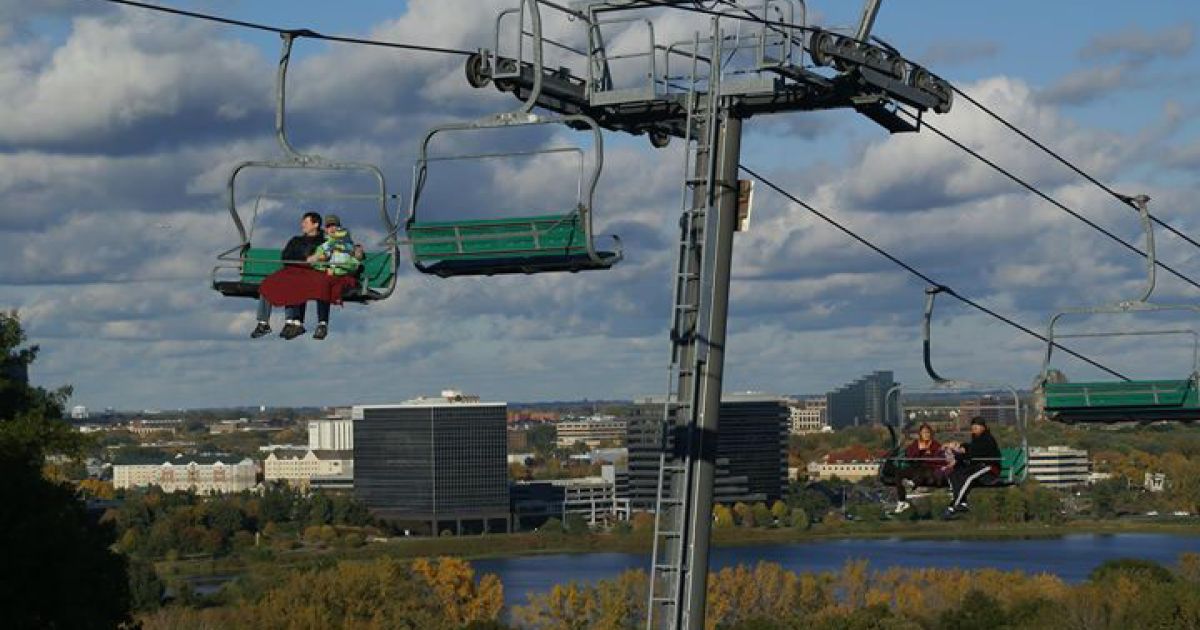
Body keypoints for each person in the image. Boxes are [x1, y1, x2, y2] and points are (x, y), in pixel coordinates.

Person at [250, 211, 324, 339]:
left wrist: (306, 260)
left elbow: (319, 259)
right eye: (303, 222)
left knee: (293, 284)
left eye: (306, 222)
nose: (302, 225)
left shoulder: (322, 243)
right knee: (268, 283)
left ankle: (292, 321)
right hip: (291, 271)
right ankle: (263, 322)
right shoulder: (296, 240)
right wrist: (303, 259)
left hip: (309, 274)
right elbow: (286, 256)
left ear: (315, 224)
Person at [301, 214, 362, 340]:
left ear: (339, 227)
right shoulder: (323, 246)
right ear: (326, 229)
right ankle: (314, 323)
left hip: (343, 278)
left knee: (323, 284)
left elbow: (354, 263)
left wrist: (355, 254)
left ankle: (322, 324)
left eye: (334, 226)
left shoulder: (347, 244)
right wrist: (322, 263)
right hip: (327, 279)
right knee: (319, 284)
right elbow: (315, 263)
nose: (332, 229)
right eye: (329, 226)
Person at [942, 417, 1002, 519]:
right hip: (977, 466)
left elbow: (973, 454)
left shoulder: (987, 439)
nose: (973, 430)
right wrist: (960, 447)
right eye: (972, 428)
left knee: (969, 478)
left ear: (983, 427)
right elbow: (971, 448)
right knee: (954, 474)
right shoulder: (976, 439)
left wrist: (958, 455)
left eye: (976, 428)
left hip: (989, 467)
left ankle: (953, 506)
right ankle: (962, 502)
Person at [892, 423, 944, 514]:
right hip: (915, 467)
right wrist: (919, 450)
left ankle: (912, 483)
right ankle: (901, 501)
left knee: (923, 469)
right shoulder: (916, 444)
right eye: (924, 433)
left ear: (931, 434)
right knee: (899, 473)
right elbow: (909, 456)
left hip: (929, 469)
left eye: (928, 432)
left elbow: (940, 459)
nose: (926, 435)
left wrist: (928, 455)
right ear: (920, 434)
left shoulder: (935, 445)